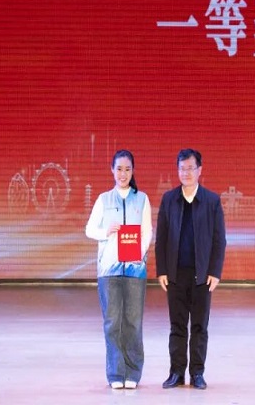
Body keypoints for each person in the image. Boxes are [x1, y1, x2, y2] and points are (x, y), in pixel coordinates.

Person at [156, 148, 227, 390]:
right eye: (182, 168)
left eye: (190, 168)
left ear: (199, 170)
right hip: (175, 275)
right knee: (177, 327)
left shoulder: (211, 201)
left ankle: (197, 373)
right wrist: (162, 270)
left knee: (199, 327)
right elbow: (161, 238)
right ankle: (176, 373)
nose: (186, 173)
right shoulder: (169, 200)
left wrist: (215, 272)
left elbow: (219, 239)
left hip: (202, 276)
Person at [86, 149, 152, 390]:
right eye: (119, 169)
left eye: (127, 169)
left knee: (133, 321)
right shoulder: (104, 200)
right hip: (109, 271)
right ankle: (115, 373)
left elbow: (147, 231)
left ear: (133, 171)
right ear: (112, 170)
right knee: (112, 322)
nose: (123, 174)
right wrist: (106, 232)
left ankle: (133, 372)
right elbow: (89, 230)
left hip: (135, 270)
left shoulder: (142, 199)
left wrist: (138, 254)